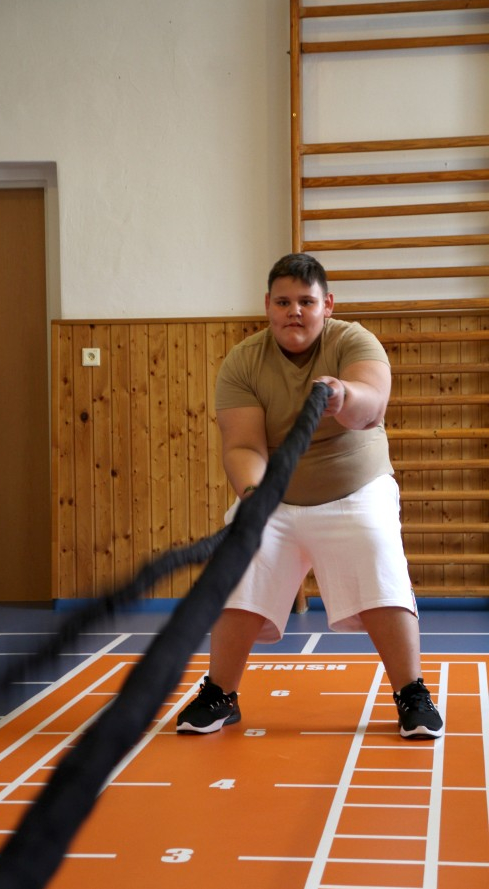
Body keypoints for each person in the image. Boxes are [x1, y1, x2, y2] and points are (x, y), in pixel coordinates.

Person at [176, 253, 443, 740]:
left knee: (378, 554)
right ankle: (220, 693)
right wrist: (253, 496)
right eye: (283, 302)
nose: (294, 311)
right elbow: (243, 445)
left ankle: (412, 692)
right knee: (237, 562)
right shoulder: (243, 361)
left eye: (306, 302)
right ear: (268, 305)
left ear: (327, 305)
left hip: (355, 490)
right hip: (275, 497)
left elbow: (371, 406)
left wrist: (343, 395)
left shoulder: (354, 341)